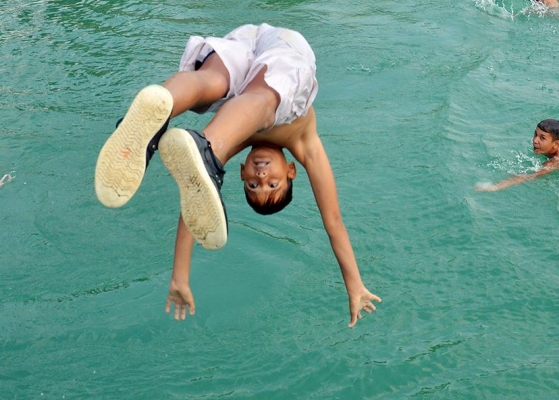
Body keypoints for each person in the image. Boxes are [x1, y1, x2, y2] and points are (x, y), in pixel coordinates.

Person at [94, 23, 381, 326]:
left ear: (242, 171)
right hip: (288, 49)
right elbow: (333, 221)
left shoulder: (235, 139)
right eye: (273, 183)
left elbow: (195, 198)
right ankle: (203, 145)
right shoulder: (305, 144)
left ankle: (157, 113)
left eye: (254, 184)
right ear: (291, 170)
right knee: (267, 103)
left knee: (212, 86)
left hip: (244, 41)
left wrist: (180, 276)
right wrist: (354, 285)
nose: (261, 174)